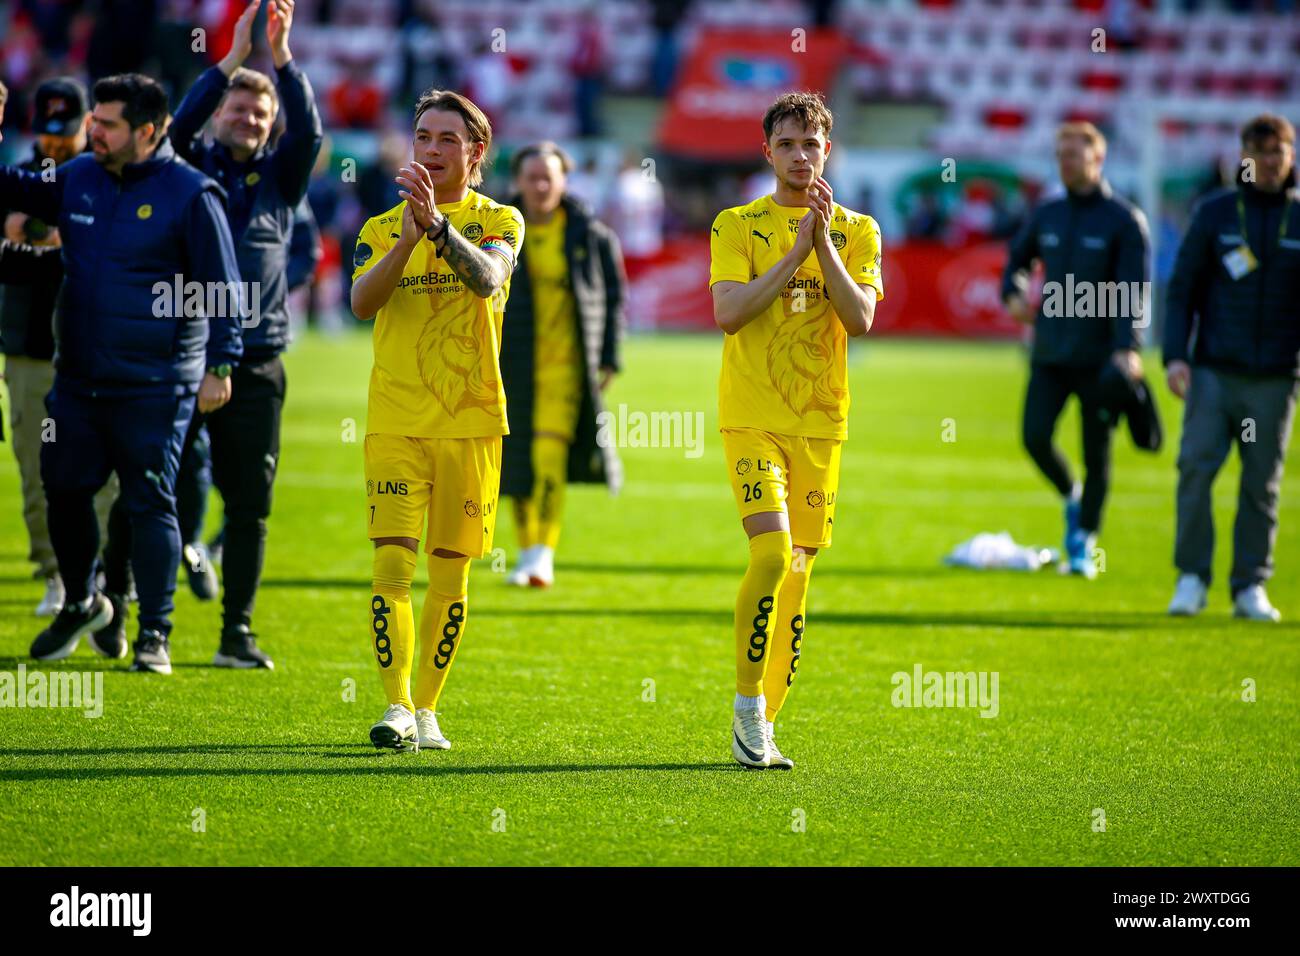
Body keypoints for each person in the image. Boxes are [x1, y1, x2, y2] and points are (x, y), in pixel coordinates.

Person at [97, 0, 322, 669]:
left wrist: (279, 58)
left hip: (255, 363)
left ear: (270, 123)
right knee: (142, 490)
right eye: (237, 109)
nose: (248, 119)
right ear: (221, 114)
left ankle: (237, 635)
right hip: (178, 357)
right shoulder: (187, 170)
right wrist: (231, 60)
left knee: (249, 506)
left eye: (260, 113)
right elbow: (179, 120)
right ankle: (118, 604)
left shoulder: (283, 177)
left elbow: (307, 128)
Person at [0, 72, 244, 674]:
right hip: (78, 380)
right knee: (62, 488)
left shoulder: (191, 194)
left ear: (148, 130)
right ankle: (82, 599)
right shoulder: (77, 176)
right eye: (94, 121)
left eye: (106, 124)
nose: (94, 133)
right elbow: (9, 188)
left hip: (156, 384)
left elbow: (224, 289)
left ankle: (154, 633)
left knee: (148, 503)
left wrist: (220, 364)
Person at [709, 92, 880, 769]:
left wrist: (823, 245)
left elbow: (861, 319)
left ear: (827, 151)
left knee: (800, 573)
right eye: (788, 144)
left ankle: (764, 725)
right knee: (773, 555)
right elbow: (730, 313)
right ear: (768, 152)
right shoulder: (737, 223)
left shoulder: (860, 230)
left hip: (821, 422)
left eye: (812, 144)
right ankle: (747, 705)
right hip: (752, 416)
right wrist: (794, 253)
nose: (801, 155)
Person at [349, 89, 524, 752]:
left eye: (448, 139)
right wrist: (407, 237)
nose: (432, 150)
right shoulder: (377, 228)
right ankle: (395, 707)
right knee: (392, 567)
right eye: (424, 137)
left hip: (472, 423)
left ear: (476, 153)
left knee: (450, 575)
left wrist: (441, 231)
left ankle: (427, 708)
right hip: (395, 421)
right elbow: (362, 303)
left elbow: (487, 281)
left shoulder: (499, 219)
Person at [1164, 113, 1300, 622]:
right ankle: (1192, 577)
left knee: (1261, 484)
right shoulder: (1215, 212)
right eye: (1259, 152)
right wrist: (1175, 355)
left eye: (1277, 152)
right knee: (1195, 471)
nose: (1268, 162)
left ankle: (1249, 585)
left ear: (1290, 156)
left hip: (1276, 376)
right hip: (1213, 372)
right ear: (1242, 156)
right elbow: (1182, 290)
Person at [1001, 122, 1151, 578]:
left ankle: (1084, 543)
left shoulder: (1124, 220)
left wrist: (1128, 349)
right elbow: (1017, 261)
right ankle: (1072, 495)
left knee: (1097, 453)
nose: (1065, 162)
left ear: (1098, 159)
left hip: (1100, 359)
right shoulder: (1047, 213)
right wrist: (1013, 292)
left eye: (1074, 154)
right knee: (1034, 437)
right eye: (1060, 154)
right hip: (1050, 353)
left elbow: (1132, 291)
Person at [0, 77, 117, 616]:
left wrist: (40, 232)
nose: (52, 144)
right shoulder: (19, 177)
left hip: (93, 348)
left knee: (102, 472)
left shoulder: (100, 178)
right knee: (34, 469)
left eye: (63, 134)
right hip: (27, 348)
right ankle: (54, 574)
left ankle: (100, 572)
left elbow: (80, 239)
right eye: (46, 133)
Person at [500, 141, 625, 588]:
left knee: (548, 456)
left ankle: (541, 554)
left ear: (564, 181)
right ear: (517, 181)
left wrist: (610, 355)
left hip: (566, 369)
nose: (539, 185)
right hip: (511, 366)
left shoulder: (590, 234)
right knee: (516, 463)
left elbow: (613, 299)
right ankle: (526, 549)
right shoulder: (496, 228)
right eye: (531, 177)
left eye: (547, 177)